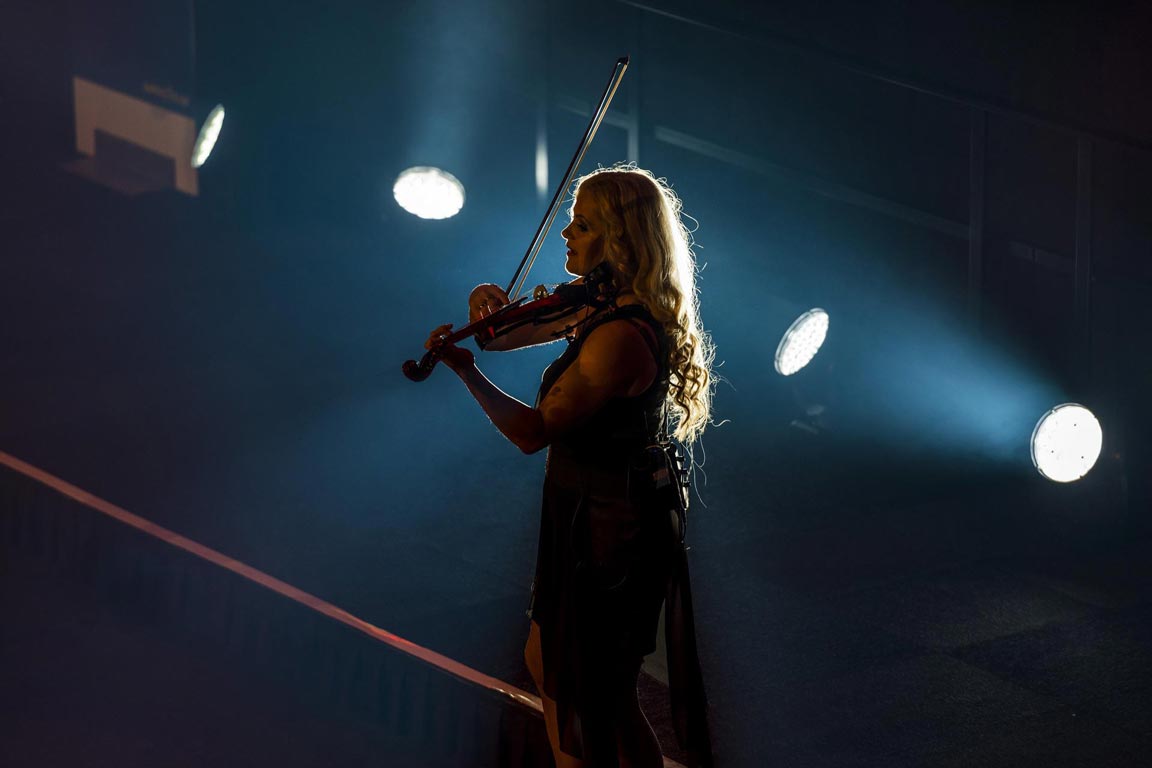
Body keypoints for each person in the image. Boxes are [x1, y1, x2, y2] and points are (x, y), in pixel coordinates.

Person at [425, 165, 714, 767]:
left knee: (593, 688)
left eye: (581, 225)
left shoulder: (619, 336)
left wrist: (465, 372)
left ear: (619, 238)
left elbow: (533, 433)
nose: (565, 234)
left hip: (613, 520)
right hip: (580, 502)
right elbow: (497, 337)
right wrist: (484, 304)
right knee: (553, 663)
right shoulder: (595, 303)